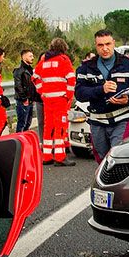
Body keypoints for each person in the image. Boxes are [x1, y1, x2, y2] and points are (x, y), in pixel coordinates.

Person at [75, 29, 129, 162]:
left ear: (113, 43)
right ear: (96, 46)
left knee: (117, 155)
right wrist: (101, 89)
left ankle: (120, 182)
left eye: (108, 44)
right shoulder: (86, 67)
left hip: (122, 118)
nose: (105, 48)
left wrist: (128, 99)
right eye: (101, 45)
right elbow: (79, 94)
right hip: (97, 120)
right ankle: (104, 182)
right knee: (102, 159)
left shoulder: (128, 64)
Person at [33, 38, 76, 166]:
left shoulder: (44, 61)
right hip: (60, 100)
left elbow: (34, 77)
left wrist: (42, 92)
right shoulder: (63, 60)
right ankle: (60, 157)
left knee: (48, 127)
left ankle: (46, 156)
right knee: (60, 128)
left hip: (48, 100)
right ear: (63, 48)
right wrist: (68, 95)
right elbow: (71, 79)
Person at [12, 49, 37, 132]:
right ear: (24, 57)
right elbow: (18, 86)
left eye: (32, 56)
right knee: (21, 123)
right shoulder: (19, 71)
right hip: (23, 101)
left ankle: (25, 143)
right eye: (30, 56)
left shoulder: (31, 70)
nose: (32, 58)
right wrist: (24, 99)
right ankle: (18, 142)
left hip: (30, 101)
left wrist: (33, 98)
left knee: (27, 124)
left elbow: (33, 85)